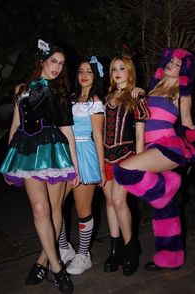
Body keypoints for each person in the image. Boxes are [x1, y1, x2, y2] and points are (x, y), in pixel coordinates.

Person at [0, 39, 79, 294]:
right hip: (27, 151)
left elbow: (67, 131)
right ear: (42, 61)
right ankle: (57, 267)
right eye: (53, 61)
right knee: (40, 208)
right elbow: (15, 124)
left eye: (61, 64)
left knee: (55, 209)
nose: (57, 67)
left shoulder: (61, 93)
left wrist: (74, 167)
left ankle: (42, 261)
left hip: (54, 150)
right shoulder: (21, 89)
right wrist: (9, 163)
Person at [113, 48, 195, 271]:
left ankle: (166, 187)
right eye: (171, 61)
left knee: (123, 171)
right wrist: (139, 93)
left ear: (184, 71)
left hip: (168, 146)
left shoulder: (182, 91)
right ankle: (170, 257)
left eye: (178, 64)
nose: (172, 65)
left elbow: (188, 123)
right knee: (164, 208)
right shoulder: (153, 88)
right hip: (150, 147)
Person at [58, 56, 106, 275]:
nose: (84, 75)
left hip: (85, 154)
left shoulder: (95, 101)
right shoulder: (70, 98)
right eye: (81, 71)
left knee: (82, 209)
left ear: (95, 76)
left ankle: (84, 255)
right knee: (53, 206)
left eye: (89, 71)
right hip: (64, 155)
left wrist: (102, 170)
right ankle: (65, 247)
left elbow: (97, 135)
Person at [103, 55, 150, 276]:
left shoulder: (137, 98)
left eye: (122, 68)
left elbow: (140, 135)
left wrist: (140, 164)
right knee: (109, 203)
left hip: (126, 157)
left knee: (119, 201)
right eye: (114, 69)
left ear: (130, 71)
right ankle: (115, 250)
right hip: (105, 157)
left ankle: (131, 247)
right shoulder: (106, 98)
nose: (118, 72)